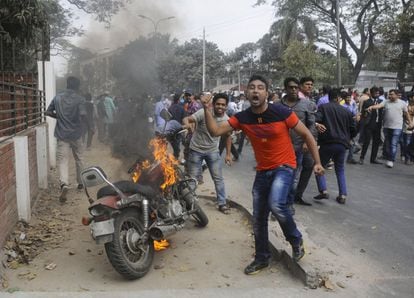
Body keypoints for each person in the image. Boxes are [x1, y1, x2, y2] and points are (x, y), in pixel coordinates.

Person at [202, 74, 324, 274]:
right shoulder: (243, 117)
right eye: (251, 87)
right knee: (258, 217)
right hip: (263, 171)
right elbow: (215, 131)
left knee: (276, 204)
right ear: (247, 93)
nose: (255, 91)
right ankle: (262, 258)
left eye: (260, 87)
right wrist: (206, 109)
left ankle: (296, 240)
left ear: (267, 93)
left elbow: (306, 134)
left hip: (284, 166)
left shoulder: (282, 112)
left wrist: (318, 162)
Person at [182, 93, 232, 214]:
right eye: (218, 104)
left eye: (223, 105)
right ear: (213, 105)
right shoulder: (203, 112)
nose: (220, 107)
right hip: (196, 150)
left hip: (213, 152)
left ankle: (222, 203)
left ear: (226, 106)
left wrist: (228, 154)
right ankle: (190, 203)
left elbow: (228, 137)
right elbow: (187, 119)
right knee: (192, 180)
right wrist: (188, 124)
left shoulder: (227, 120)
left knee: (218, 179)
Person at [45, 76, 86, 203]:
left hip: (62, 133)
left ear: (67, 84)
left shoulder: (57, 98)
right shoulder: (80, 99)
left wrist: (59, 117)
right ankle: (80, 183)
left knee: (63, 160)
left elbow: (47, 112)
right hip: (76, 133)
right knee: (79, 158)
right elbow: (83, 114)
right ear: (77, 87)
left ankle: (64, 184)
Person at [313, 88, 357, 204]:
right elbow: (353, 129)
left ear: (328, 97)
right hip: (342, 144)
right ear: (339, 98)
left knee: (320, 165)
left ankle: (323, 191)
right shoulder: (347, 112)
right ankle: (342, 195)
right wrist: (348, 137)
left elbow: (316, 120)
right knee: (340, 169)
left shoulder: (323, 107)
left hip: (327, 142)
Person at [281, 77, 317, 206]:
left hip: (298, 148)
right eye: (291, 87)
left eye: (296, 87)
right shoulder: (278, 105)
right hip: (281, 148)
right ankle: (280, 203)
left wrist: (307, 142)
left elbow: (311, 126)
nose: (294, 90)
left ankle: (289, 204)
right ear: (285, 88)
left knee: (294, 178)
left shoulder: (307, 105)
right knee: (281, 176)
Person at [367, 89, 413, 168]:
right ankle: (389, 157)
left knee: (393, 144)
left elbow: (406, 114)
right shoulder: (386, 102)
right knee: (387, 143)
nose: (390, 96)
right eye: (389, 94)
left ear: (396, 95)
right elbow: (379, 105)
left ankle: (391, 160)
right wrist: (372, 107)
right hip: (386, 126)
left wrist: (410, 122)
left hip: (397, 127)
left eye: (391, 94)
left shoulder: (402, 103)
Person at [359, 86, 383, 165]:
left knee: (376, 142)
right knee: (367, 142)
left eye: (378, 93)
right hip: (369, 124)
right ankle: (362, 158)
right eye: (375, 93)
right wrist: (365, 112)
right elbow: (363, 113)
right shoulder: (367, 102)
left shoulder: (381, 101)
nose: (377, 94)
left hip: (378, 124)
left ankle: (373, 158)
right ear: (371, 93)